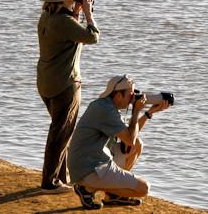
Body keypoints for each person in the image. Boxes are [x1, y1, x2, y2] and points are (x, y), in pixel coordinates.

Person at [36, 0, 99, 193]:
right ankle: (50, 182)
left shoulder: (47, 17)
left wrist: (77, 14)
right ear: (65, 0)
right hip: (65, 83)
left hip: (47, 81)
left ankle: (60, 176)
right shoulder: (64, 22)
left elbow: (70, 36)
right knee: (60, 133)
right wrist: (89, 14)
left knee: (60, 130)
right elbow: (92, 37)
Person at [69, 75, 170, 209]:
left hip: (92, 159)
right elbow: (129, 139)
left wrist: (149, 113)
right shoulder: (105, 110)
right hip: (88, 168)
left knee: (137, 145)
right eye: (130, 94)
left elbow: (130, 137)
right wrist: (135, 111)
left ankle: (112, 196)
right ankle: (87, 189)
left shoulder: (107, 106)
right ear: (118, 95)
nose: (133, 98)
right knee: (144, 188)